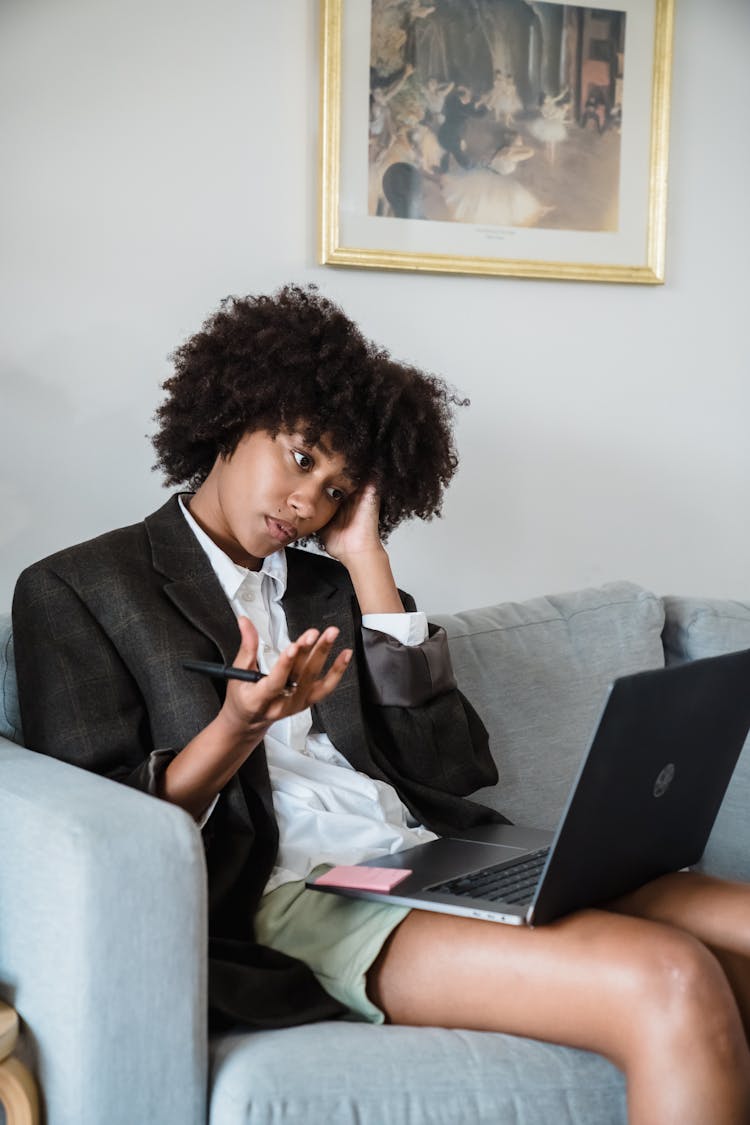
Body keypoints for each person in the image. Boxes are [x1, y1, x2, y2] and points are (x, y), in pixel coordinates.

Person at [12, 286, 750, 1124]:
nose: (307, 503)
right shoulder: (78, 586)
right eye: (301, 459)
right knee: (670, 974)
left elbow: (454, 767)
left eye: (335, 488)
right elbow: (103, 832)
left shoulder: (333, 586)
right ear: (231, 413)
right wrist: (235, 727)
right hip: (301, 892)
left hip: (433, 858)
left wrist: (366, 557)